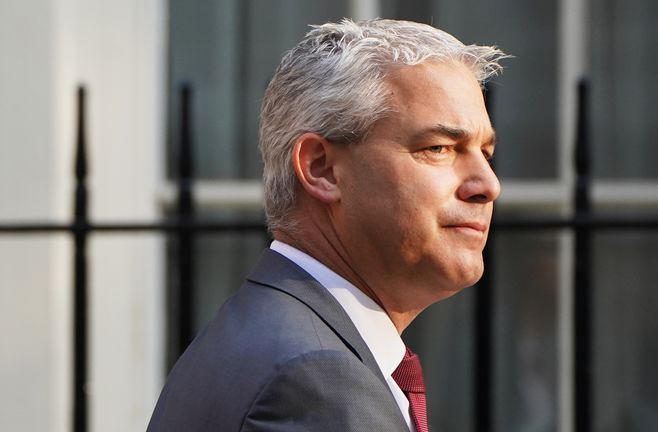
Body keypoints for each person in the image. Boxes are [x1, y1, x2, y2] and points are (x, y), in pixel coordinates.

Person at [147, 18, 505, 432]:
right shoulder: (316, 380)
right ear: (322, 169)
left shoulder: (271, 339)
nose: (487, 185)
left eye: (486, 152)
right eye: (439, 148)